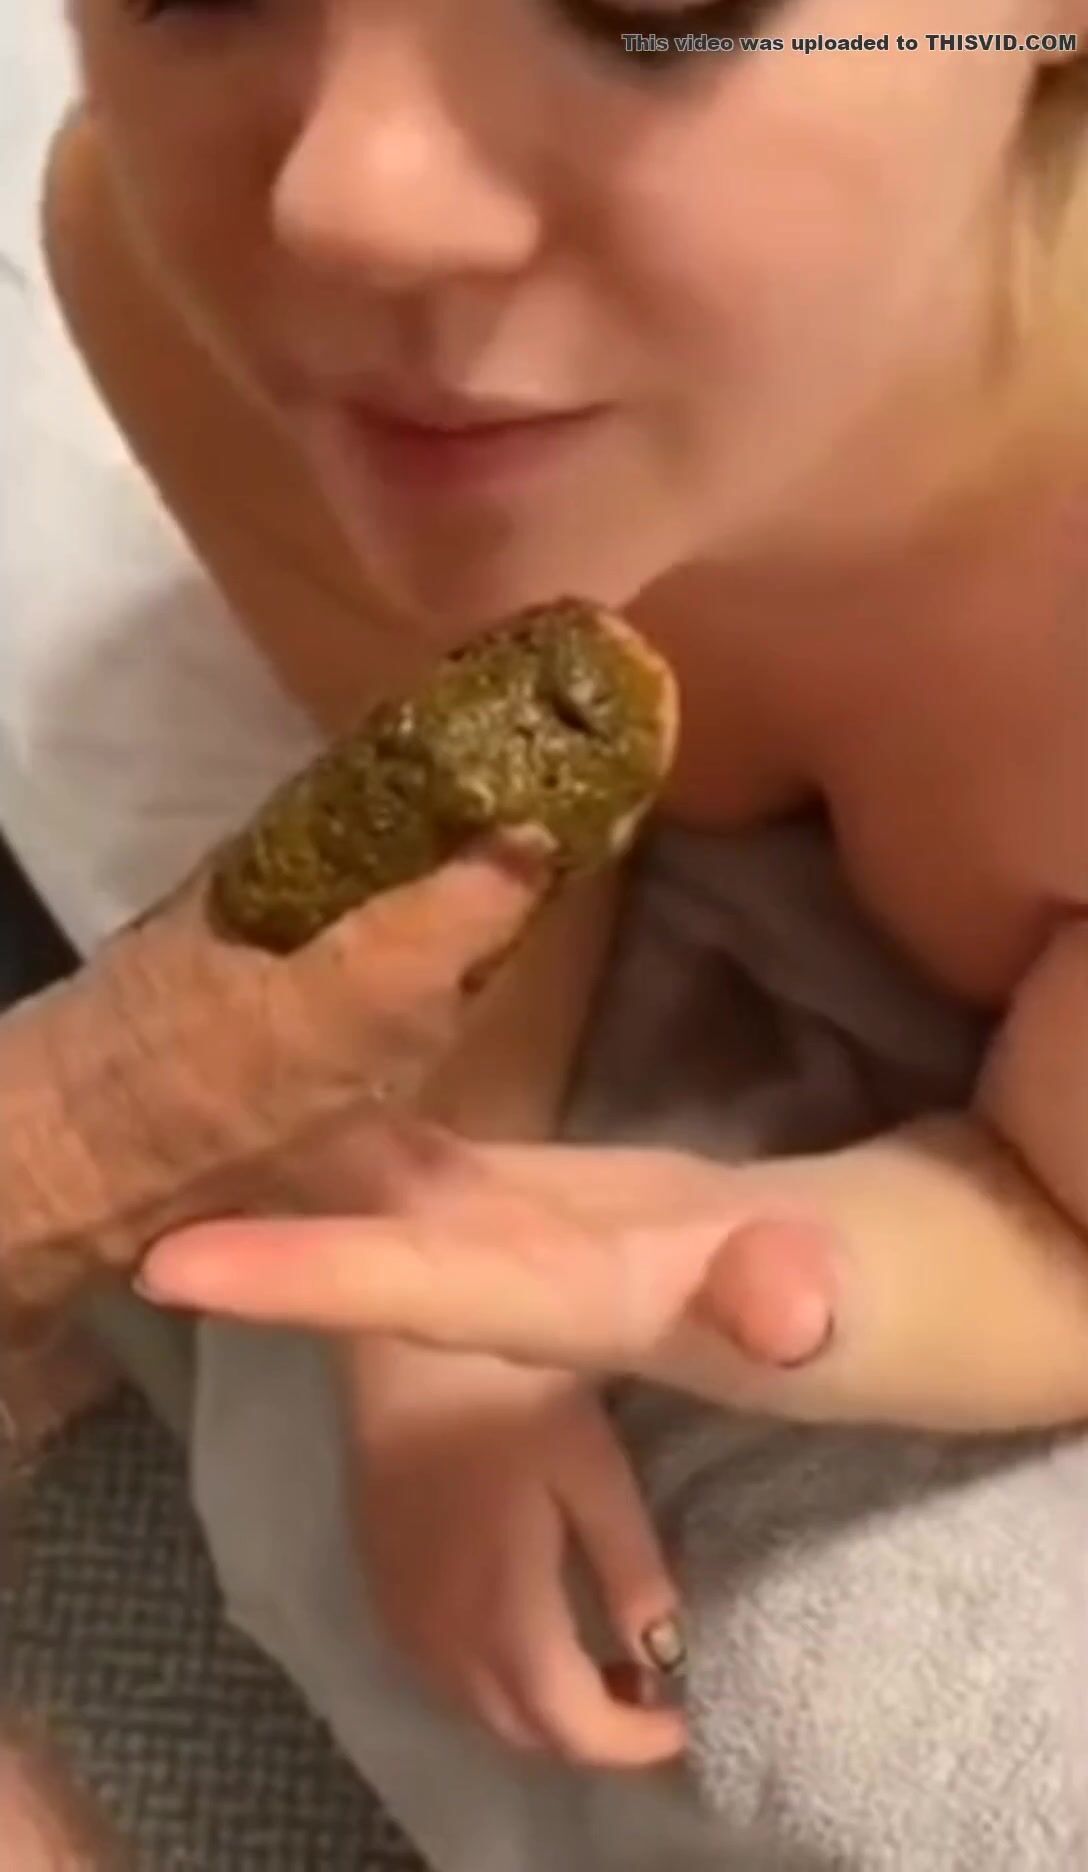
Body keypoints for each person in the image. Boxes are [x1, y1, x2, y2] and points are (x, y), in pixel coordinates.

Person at [7, 1, 1087, 1864]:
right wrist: (462, 1299)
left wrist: (821, 1276)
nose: (346, 197)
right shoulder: (178, 285)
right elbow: (472, 803)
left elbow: (1067, 1230)